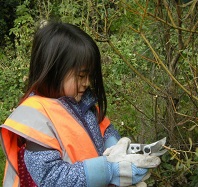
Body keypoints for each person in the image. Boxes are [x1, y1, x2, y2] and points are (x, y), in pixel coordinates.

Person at [0, 22, 161, 187]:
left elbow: (105, 130)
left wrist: (117, 150)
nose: (87, 82)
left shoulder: (83, 102)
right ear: (54, 71)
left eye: (89, 75)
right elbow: (53, 178)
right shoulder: (36, 118)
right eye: (81, 76)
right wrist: (110, 170)